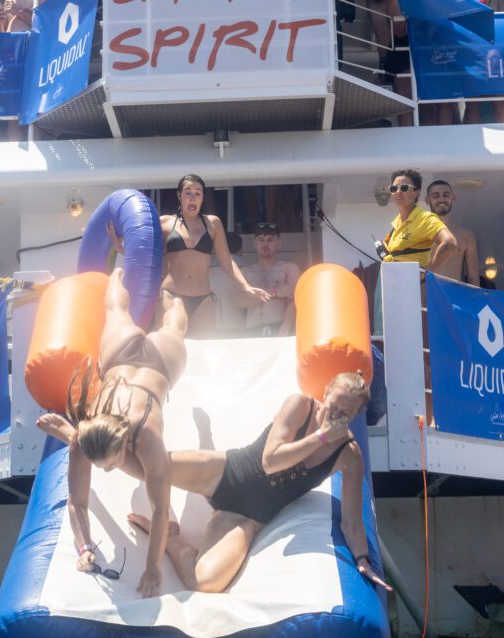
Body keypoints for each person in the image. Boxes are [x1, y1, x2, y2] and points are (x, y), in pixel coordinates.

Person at [127, 372, 390, 594]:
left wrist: (362, 558)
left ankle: (169, 538)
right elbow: (270, 461)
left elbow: (352, 521)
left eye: (345, 413)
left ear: (357, 414)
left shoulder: (348, 454)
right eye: (334, 405)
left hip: (245, 516)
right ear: (326, 391)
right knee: (143, 466)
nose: (335, 416)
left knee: (205, 583)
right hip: (226, 473)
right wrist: (321, 437)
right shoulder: (300, 406)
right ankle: (95, 438)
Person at [36, 268, 188, 599]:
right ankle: (118, 275)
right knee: (114, 311)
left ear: (124, 443)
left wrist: (153, 568)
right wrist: (84, 546)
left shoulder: (146, 436)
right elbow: (77, 502)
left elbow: (162, 509)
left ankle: (170, 298)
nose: (105, 470)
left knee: (175, 325)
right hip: (119, 356)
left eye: (108, 464)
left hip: (160, 363)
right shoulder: (84, 435)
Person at [159, 174, 269, 337]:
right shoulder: (165, 222)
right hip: (172, 294)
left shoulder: (213, 224)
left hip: (202, 298)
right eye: (188, 192)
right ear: (179, 195)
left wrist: (245, 286)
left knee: (203, 350)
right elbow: (147, 257)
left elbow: (227, 261)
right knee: (172, 343)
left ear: (202, 197)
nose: (193, 197)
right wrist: (120, 246)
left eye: (198, 193)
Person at [381, 169, 458, 271]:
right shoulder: (395, 225)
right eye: (394, 188)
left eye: (404, 188)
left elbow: (450, 243)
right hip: (395, 284)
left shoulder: (425, 218)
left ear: (416, 193)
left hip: (414, 285)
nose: (398, 192)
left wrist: (428, 274)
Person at [235, 222, 301, 336]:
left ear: (278, 244)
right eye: (261, 240)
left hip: (278, 327)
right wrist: (273, 292)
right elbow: (239, 301)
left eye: (270, 240)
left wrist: (284, 331)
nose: (265, 244)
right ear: (255, 244)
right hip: (251, 330)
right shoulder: (246, 272)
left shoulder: (289, 268)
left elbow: (295, 302)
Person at [425, 180, 479, 286]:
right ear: (427, 200)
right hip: (428, 296)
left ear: (452, 197)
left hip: (455, 297)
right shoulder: (418, 233)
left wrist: (472, 300)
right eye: (435, 196)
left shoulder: (466, 236)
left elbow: (473, 278)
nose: (441, 199)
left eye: (445, 195)